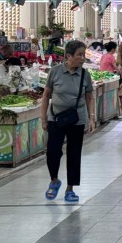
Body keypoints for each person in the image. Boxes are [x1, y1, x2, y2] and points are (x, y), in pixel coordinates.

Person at [40, 40, 96, 204]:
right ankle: (54, 180)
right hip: (56, 118)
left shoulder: (85, 75)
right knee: (53, 151)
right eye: (79, 55)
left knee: (74, 153)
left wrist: (91, 117)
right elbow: (46, 96)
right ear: (68, 56)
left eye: (83, 55)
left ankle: (70, 189)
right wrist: (43, 118)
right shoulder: (55, 72)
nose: (82, 58)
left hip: (76, 118)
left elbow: (89, 97)